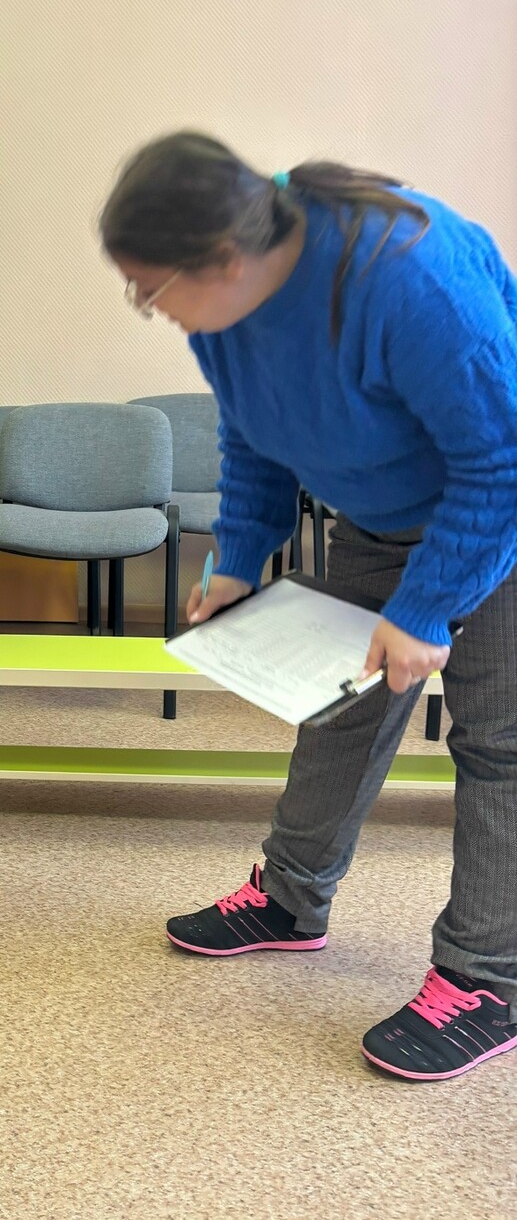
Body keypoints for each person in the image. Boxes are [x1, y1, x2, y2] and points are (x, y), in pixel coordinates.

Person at [98, 131, 517, 1082]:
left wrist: (426, 608)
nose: (151, 310)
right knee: (338, 709)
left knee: (498, 743)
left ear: (223, 257)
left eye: (150, 290)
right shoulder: (224, 309)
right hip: (381, 512)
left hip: (496, 509)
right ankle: (290, 900)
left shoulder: (406, 278)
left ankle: (487, 981)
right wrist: (237, 560)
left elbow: (500, 462)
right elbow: (250, 435)